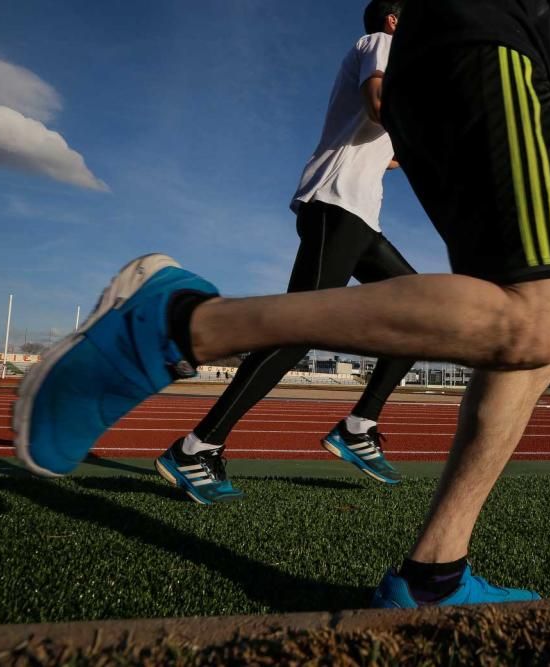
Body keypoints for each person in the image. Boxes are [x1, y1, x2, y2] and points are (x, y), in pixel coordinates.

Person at [13, 0, 550, 607]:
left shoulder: (401, 43)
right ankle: (181, 329)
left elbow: (387, 121)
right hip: (425, 106)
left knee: (504, 325)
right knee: (534, 315)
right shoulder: (380, 39)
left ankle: (431, 567)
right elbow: (380, 100)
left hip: (406, 154)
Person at [153, 0, 415, 505]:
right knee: (297, 333)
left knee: (418, 314)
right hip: (332, 207)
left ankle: (358, 426)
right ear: (394, 20)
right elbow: (380, 107)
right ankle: (195, 446)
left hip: (361, 221)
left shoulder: (397, 71)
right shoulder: (380, 45)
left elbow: (392, 151)